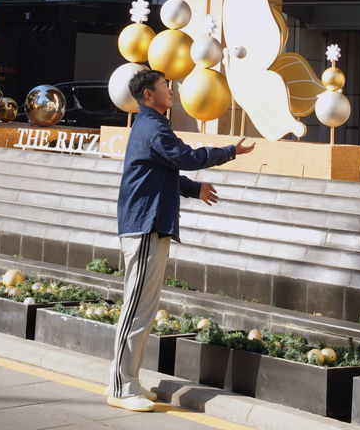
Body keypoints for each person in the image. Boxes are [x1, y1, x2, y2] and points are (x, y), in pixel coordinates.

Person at [107, 68, 255, 412]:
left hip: (150, 224)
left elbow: (164, 171)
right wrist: (231, 150)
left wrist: (193, 189)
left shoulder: (151, 127)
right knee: (135, 310)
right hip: (144, 226)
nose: (170, 91)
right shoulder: (152, 127)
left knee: (143, 310)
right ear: (148, 95)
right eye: (164, 86)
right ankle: (120, 387)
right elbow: (185, 157)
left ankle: (129, 381)